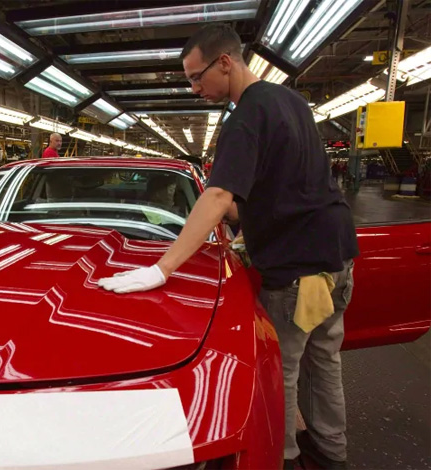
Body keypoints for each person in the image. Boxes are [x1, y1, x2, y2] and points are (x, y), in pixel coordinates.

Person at [98, 24, 359, 470]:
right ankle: (333, 454)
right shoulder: (291, 101)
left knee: (283, 373)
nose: (194, 88)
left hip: (297, 270)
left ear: (225, 62)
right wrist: (244, 223)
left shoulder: (245, 117)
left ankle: (282, 456)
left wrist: (162, 269)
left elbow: (218, 197)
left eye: (197, 77)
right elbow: (279, 187)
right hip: (338, 257)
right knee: (325, 362)